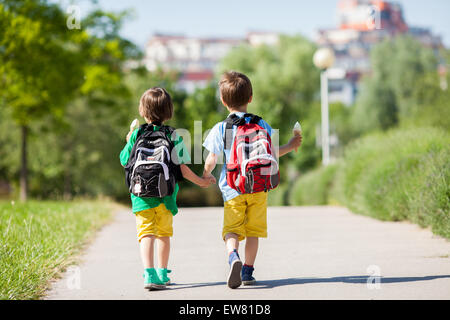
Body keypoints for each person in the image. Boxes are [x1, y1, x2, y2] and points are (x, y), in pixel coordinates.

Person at [202, 71, 302, 289]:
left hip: (233, 188)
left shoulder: (222, 128)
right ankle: (247, 271)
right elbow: (272, 153)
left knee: (232, 230)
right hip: (258, 186)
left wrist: (207, 173)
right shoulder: (261, 124)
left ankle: (232, 257)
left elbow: (212, 158)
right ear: (250, 98)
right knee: (254, 232)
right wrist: (292, 145)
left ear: (223, 101)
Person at [120, 87, 215, 290]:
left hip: (140, 196)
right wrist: (202, 181)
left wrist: (129, 141)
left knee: (146, 234)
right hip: (166, 196)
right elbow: (182, 168)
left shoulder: (137, 134)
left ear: (142, 111)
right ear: (168, 111)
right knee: (163, 234)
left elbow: (123, 161)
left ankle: (149, 274)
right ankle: (162, 274)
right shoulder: (174, 135)